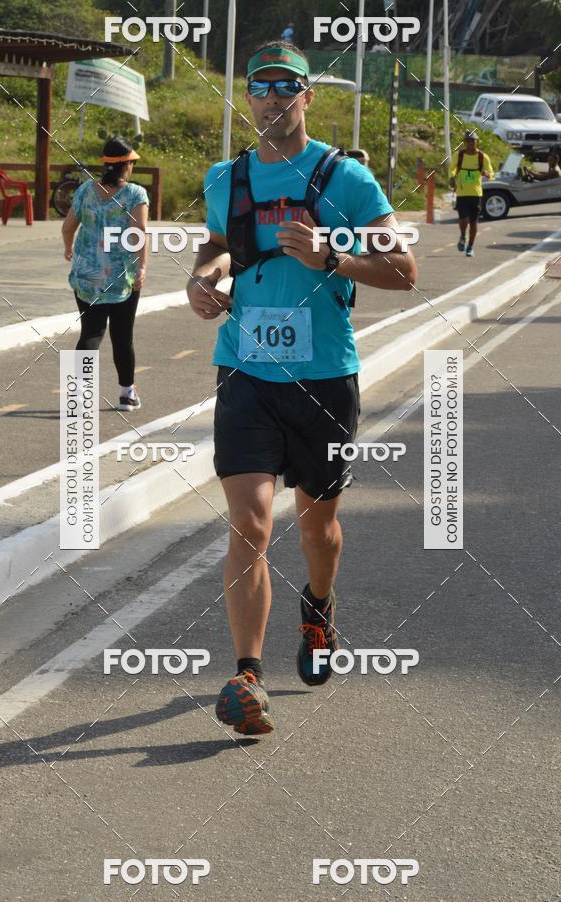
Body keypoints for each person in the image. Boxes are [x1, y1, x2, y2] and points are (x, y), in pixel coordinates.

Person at [186, 41, 417, 735]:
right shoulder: (226, 177)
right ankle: (248, 675)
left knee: (319, 528)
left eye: (288, 85)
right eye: (261, 86)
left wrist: (333, 255)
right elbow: (217, 243)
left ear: (307, 97)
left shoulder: (346, 179)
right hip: (245, 372)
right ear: (247, 96)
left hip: (323, 379)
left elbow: (404, 268)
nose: (273, 97)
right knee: (250, 525)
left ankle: (318, 609)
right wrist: (205, 278)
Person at [62, 136, 149, 410]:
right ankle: (127, 393)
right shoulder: (135, 194)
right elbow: (138, 234)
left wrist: (68, 249)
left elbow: (68, 227)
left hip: (86, 274)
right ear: (126, 165)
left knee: (91, 332)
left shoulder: (86, 190)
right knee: (123, 337)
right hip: (121, 276)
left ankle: (77, 395)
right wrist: (142, 267)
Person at [448, 130, 494, 258]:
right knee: (463, 219)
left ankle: (470, 247)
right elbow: (451, 168)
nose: (470, 143)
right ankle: (463, 235)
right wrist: (451, 177)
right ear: (464, 142)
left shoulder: (482, 157)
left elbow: (491, 173)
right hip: (461, 193)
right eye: (468, 141)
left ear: (476, 142)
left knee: (473, 222)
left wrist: (487, 174)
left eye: (472, 141)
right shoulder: (459, 155)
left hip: (476, 193)